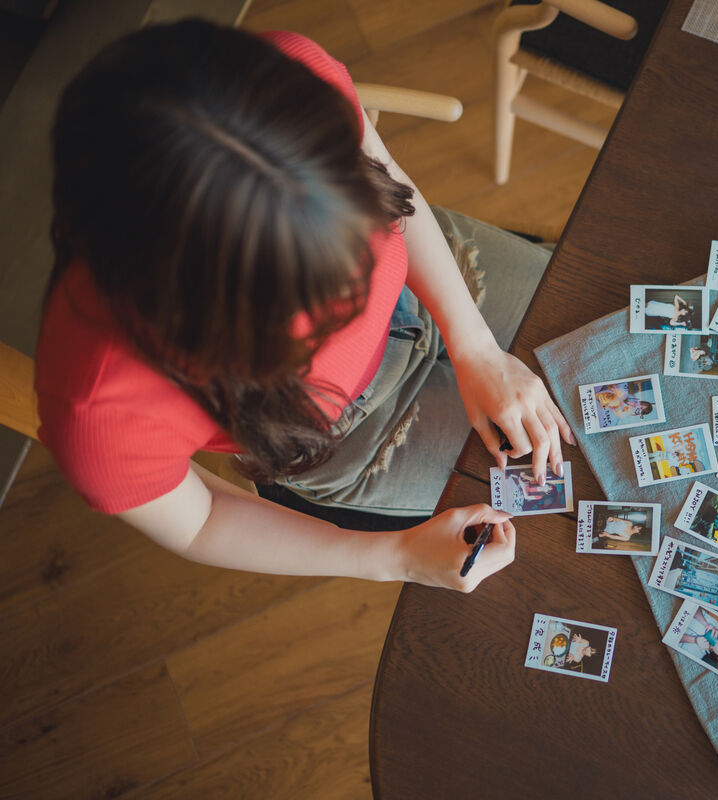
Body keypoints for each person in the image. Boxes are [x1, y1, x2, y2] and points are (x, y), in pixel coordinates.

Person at [34, 21, 574, 592]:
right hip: (345, 434)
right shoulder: (98, 410)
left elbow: (392, 181)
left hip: (436, 273)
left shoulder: (279, 80)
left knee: (599, 324)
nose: (361, 292)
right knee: (565, 520)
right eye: (319, 304)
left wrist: (476, 346)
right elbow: (201, 522)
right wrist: (395, 557)